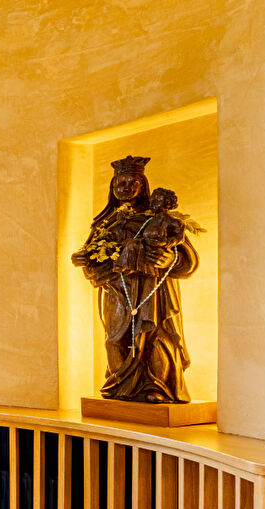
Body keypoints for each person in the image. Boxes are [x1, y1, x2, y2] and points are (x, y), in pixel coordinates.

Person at [70, 158, 200, 403]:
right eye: (120, 184)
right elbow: (92, 256)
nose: (126, 188)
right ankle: (121, 384)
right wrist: (83, 259)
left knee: (157, 335)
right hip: (118, 291)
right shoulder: (104, 223)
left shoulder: (159, 219)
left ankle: (158, 386)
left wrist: (167, 258)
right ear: (112, 188)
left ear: (144, 185)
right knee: (116, 337)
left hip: (154, 291)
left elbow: (187, 259)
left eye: (133, 183)